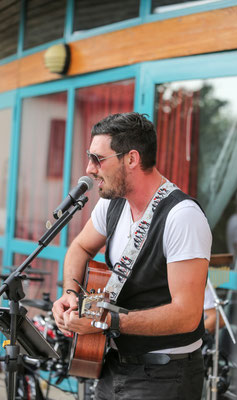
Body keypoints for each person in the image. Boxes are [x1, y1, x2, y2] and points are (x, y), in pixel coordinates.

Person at [52, 112, 212, 400]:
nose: (89, 169)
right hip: (112, 365)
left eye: (98, 159)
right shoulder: (112, 204)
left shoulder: (182, 217)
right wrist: (70, 293)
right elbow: (80, 247)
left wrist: (109, 322)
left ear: (131, 159)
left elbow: (187, 315)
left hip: (164, 375)